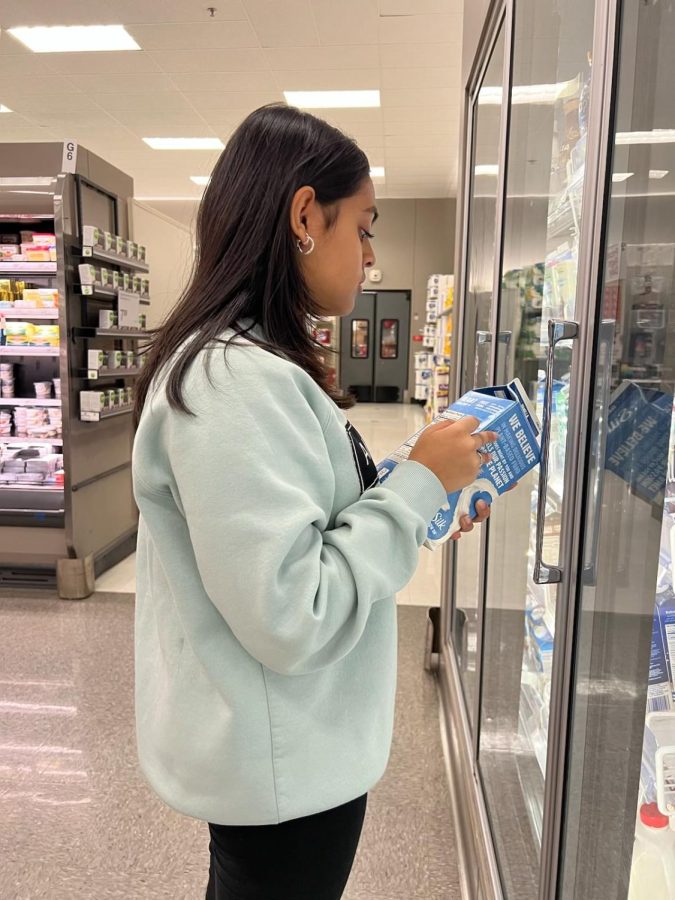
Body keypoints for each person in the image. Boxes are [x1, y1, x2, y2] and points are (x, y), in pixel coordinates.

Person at [132, 103, 495, 900]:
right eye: (362, 227)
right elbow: (292, 611)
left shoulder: (249, 367)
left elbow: (308, 524)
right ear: (305, 214)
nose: (370, 255)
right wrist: (411, 490)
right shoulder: (234, 383)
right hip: (282, 769)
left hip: (280, 757)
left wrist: (423, 488)